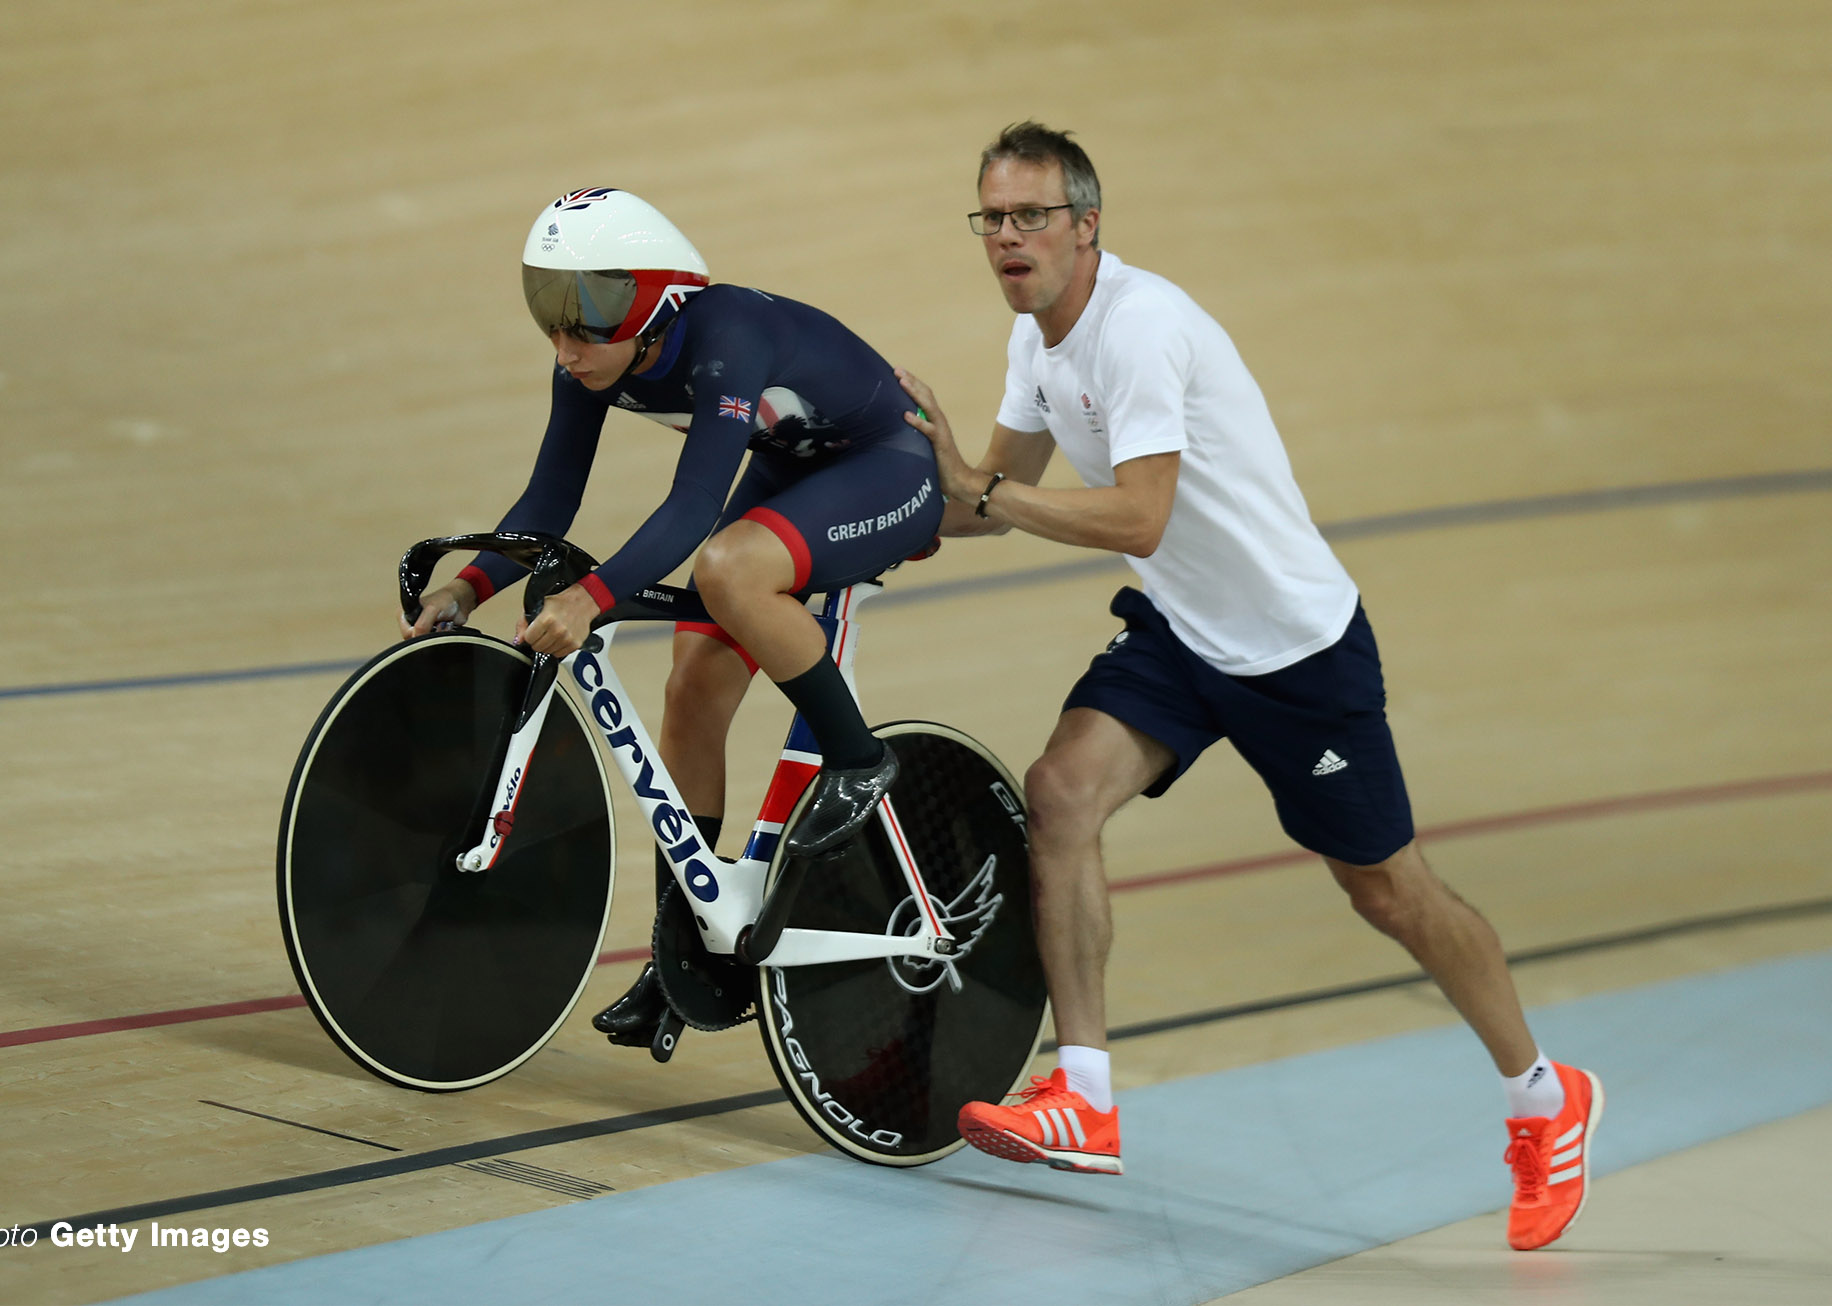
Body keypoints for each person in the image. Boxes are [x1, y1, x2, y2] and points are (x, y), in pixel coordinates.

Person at [894, 123, 1602, 1251]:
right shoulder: (1036, 337)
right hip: (1182, 631)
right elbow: (987, 498)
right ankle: (1084, 1094)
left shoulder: (1140, 329)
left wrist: (977, 487)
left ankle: (1541, 1094)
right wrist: (852, 519)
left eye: (1031, 216)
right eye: (992, 218)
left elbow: (1134, 515)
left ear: (1086, 226)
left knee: (1388, 892)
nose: (1009, 239)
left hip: (1293, 653)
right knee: (1063, 789)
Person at [406, 187, 939, 1047]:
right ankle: (681, 950)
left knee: (727, 567)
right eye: (550, 313)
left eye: (588, 318)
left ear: (655, 302)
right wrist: (469, 587)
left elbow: (695, 507)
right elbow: (549, 500)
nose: (566, 342)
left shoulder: (727, 336)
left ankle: (859, 760)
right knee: (691, 686)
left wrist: (593, 597)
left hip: (887, 470)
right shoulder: (588, 358)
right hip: (796, 471)